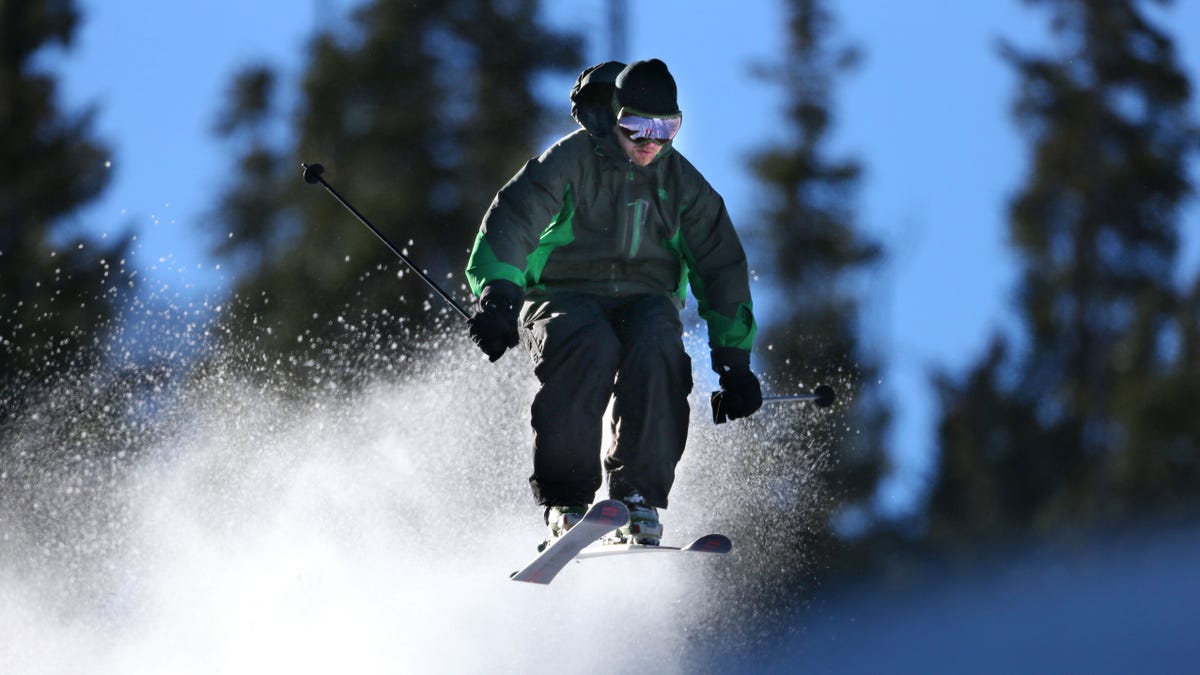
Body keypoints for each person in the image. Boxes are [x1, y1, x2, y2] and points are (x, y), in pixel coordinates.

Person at [465, 59, 762, 548]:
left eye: (665, 129)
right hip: (563, 293)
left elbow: (721, 266)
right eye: (636, 126)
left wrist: (734, 363)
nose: (649, 142)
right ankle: (567, 501)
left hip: (645, 298)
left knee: (658, 345)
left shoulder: (682, 185)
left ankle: (638, 497)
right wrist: (498, 297)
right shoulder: (571, 161)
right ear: (613, 116)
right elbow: (514, 219)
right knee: (588, 344)